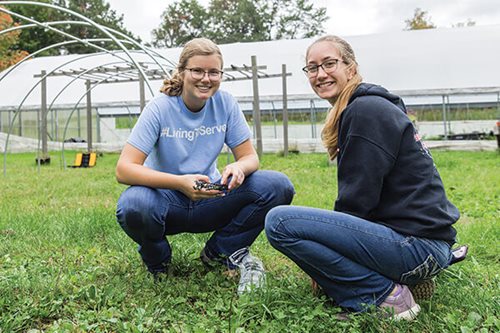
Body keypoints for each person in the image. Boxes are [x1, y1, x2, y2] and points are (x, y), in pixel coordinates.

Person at [265, 35, 459, 320]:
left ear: (351, 68)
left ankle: (383, 296)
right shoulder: (369, 106)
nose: (320, 74)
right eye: (312, 68)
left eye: (329, 63)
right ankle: (405, 280)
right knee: (298, 224)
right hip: (428, 246)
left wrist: (329, 261)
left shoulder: (364, 110)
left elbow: (358, 198)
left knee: (279, 222)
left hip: (417, 247)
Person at [115, 38, 294, 294]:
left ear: (220, 74)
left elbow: (250, 157)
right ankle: (158, 260)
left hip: (211, 194)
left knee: (277, 185)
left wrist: (240, 168)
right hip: (166, 201)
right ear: (182, 72)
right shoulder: (160, 108)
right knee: (134, 204)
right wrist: (179, 182)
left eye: (213, 72)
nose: (205, 78)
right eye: (197, 70)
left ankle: (219, 252)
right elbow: (124, 169)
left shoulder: (226, 103)